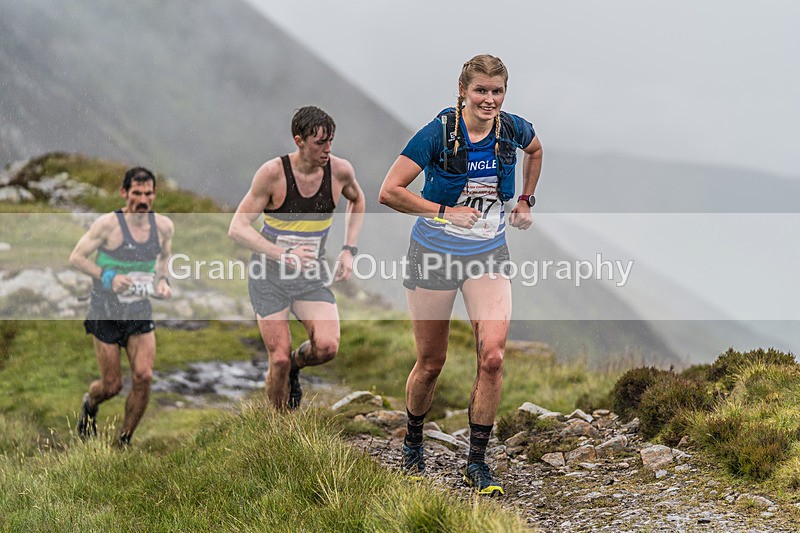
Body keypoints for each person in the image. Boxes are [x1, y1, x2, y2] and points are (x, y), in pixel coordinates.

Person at [378, 54, 542, 496]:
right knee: (432, 363)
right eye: (480, 91)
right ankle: (413, 443)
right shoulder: (439, 134)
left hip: (488, 254)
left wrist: (525, 198)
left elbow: (537, 149)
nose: (489, 100)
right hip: (433, 253)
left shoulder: (511, 129)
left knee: (493, 357)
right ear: (463, 92)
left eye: (497, 91)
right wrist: (446, 212)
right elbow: (389, 191)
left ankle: (477, 462)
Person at [228, 105, 365, 410]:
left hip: (308, 277)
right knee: (276, 359)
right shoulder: (273, 174)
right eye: (320, 143)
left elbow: (358, 200)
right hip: (269, 276)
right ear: (299, 140)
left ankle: (295, 366)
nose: (327, 149)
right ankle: (280, 431)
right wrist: (282, 253)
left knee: (327, 346)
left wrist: (348, 249)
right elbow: (237, 228)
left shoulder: (340, 171)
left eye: (331, 141)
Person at [69, 166, 174, 446]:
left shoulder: (163, 226)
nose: (142, 200)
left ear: (154, 195)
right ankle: (90, 404)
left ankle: (123, 441)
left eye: (148, 194)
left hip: (139, 310)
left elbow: (164, 259)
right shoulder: (108, 225)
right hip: (105, 311)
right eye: (136, 193)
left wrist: (162, 282)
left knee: (144, 376)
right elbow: (77, 258)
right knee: (112, 386)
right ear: (124, 193)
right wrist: (108, 277)